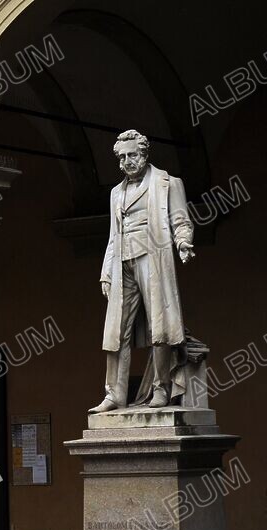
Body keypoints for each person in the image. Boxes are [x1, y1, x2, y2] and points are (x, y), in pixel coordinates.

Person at [89, 130, 195, 414]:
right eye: (122, 157)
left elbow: (180, 219)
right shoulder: (115, 193)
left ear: (145, 154)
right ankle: (114, 394)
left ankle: (161, 389)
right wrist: (105, 272)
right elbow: (114, 235)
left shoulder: (167, 184)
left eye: (132, 155)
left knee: (159, 327)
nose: (127, 161)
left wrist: (183, 241)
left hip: (152, 258)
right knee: (115, 332)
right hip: (122, 262)